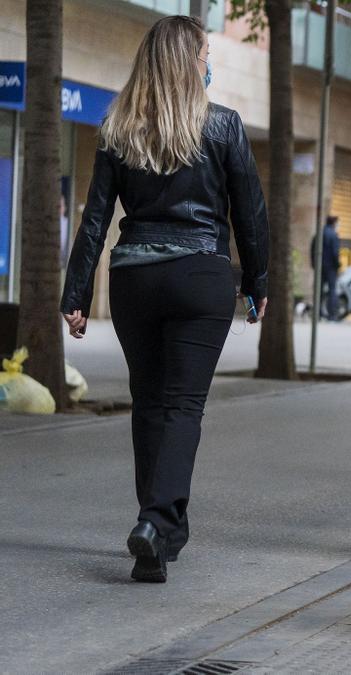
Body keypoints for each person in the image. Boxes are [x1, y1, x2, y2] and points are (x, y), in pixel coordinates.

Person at [60, 16, 268, 583]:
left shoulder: (118, 125)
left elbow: (96, 216)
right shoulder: (223, 125)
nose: (209, 62)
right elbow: (249, 212)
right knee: (183, 407)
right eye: (205, 52)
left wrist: (77, 291)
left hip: (134, 280)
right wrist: (258, 283)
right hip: (200, 276)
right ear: (189, 60)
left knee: (149, 403)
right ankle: (155, 521)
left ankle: (159, 537)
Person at [311, 216, 341, 320]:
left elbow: (312, 249)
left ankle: (317, 313)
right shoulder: (333, 235)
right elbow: (335, 252)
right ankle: (332, 314)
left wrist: (314, 264)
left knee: (318, 289)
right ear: (334, 223)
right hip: (331, 267)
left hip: (320, 266)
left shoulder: (319, 233)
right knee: (332, 290)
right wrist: (337, 265)